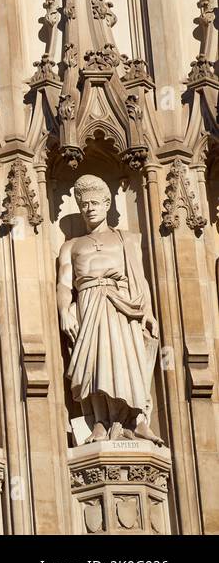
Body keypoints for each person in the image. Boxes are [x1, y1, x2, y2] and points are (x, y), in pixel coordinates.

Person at [57, 175, 162, 444]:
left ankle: (135, 420)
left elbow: (140, 278)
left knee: (124, 360)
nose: (89, 208)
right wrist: (64, 311)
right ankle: (100, 423)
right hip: (88, 304)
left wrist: (147, 312)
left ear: (107, 204)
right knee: (93, 364)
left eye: (94, 202)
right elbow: (64, 285)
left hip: (120, 305)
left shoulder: (126, 239)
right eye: (83, 204)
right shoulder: (70, 246)